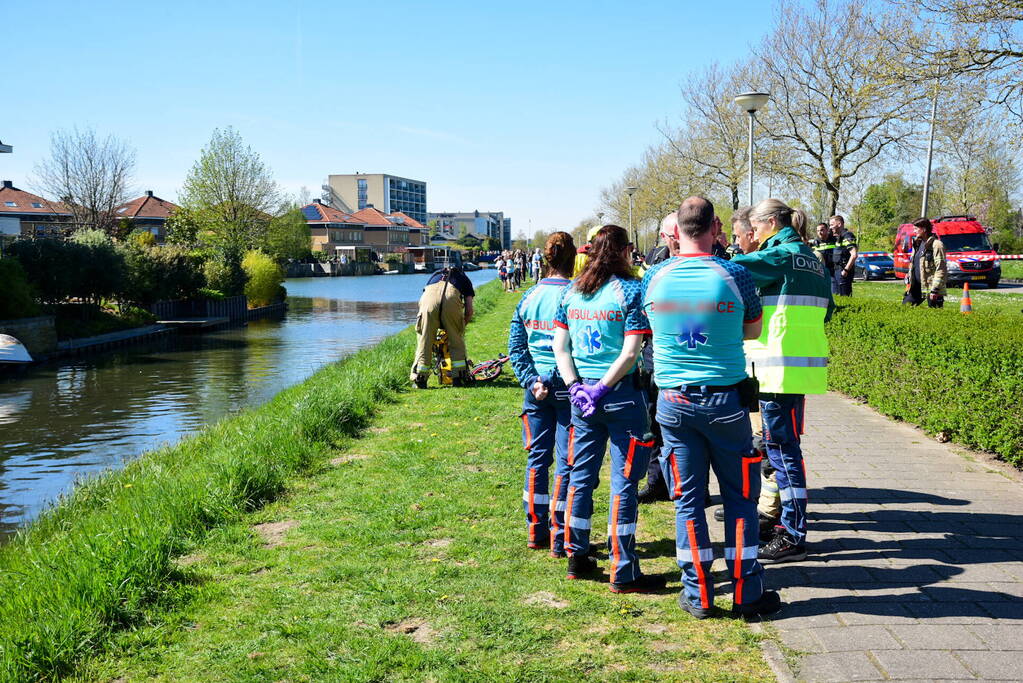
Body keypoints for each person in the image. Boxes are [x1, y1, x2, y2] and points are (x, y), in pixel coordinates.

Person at [642, 196, 778, 619]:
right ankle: (746, 592)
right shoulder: (734, 273)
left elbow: (645, 330)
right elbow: (753, 329)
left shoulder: (655, 276)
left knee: (688, 502)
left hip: (673, 403)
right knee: (740, 498)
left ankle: (698, 593)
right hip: (725, 403)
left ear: (675, 231)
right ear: (716, 228)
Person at [552, 225, 666, 593]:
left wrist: (575, 387)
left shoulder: (571, 291)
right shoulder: (632, 291)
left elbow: (560, 347)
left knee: (580, 476)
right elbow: (631, 352)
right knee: (624, 482)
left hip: (581, 399)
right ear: (626, 251)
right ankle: (623, 568)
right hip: (621, 397)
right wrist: (603, 388)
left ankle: (576, 554)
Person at [731, 199, 835, 564]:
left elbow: (731, 269)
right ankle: (785, 525)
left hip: (778, 369)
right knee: (781, 450)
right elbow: (829, 310)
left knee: (783, 454)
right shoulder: (812, 259)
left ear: (771, 223)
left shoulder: (781, 256)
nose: (753, 236)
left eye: (755, 229)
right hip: (798, 367)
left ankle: (793, 534)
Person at [509, 233, 577, 554]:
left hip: (534, 391)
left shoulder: (528, 297)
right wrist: (551, 378)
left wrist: (531, 380)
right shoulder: (576, 296)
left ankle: (534, 530)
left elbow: (515, 347)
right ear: (573, 257)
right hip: (566, 386)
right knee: (567, 461)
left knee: (537, 458)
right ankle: (559, 534)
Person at [410, 265, 475, 388]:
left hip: (428, 301)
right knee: (456, 342)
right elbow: (469, 311)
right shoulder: (463, 279)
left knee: (425, 341)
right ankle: (458, 378)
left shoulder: (434, 275)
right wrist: (459, 328)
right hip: (451, 300)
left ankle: (420, 379)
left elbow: (426, 298)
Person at [903, 218, 947, 308]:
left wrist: (935, 290)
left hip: (931, 288)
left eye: (916, 229)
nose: (914, 231)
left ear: (924, 229)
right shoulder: (917, 244)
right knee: (905, 307)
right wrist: (909, 275)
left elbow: (941, 269)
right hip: (917, 287)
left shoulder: (937, 245)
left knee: (935, 315)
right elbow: (914, 264)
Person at [829, 215, 858, 296]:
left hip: (843, 272)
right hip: (836, 272)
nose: (830, 227)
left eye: (832, 225)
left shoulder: (847, 236)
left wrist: (845, 270)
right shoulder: (838, 238)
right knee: (836, 297)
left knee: (845, 297)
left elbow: (854, 255)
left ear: (839, 224)